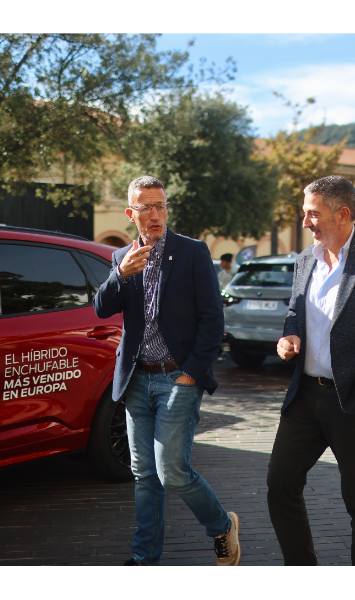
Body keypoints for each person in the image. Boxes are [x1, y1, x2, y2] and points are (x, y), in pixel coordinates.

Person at [94, 176, 240, 566]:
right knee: (144, 475)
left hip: (178, 377)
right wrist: (120, 274)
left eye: (160, 206)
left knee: (171, 471)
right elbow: (101, 308)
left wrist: (191, 373)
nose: (155, 215)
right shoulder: (121, 258)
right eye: (146, 208)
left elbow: (212, 320)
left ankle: (222, 525)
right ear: (131, 213)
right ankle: (145, 559)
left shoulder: (192, 253)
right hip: (136, 379)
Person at [267, 175, 355, 566]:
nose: (305, 221)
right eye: (304, 212)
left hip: (354, 400)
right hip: (305, 396)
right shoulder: (305, 260)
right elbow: (295, 310)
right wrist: (290, 336)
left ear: (342, 214)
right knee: (280, 484)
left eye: (312, 213)